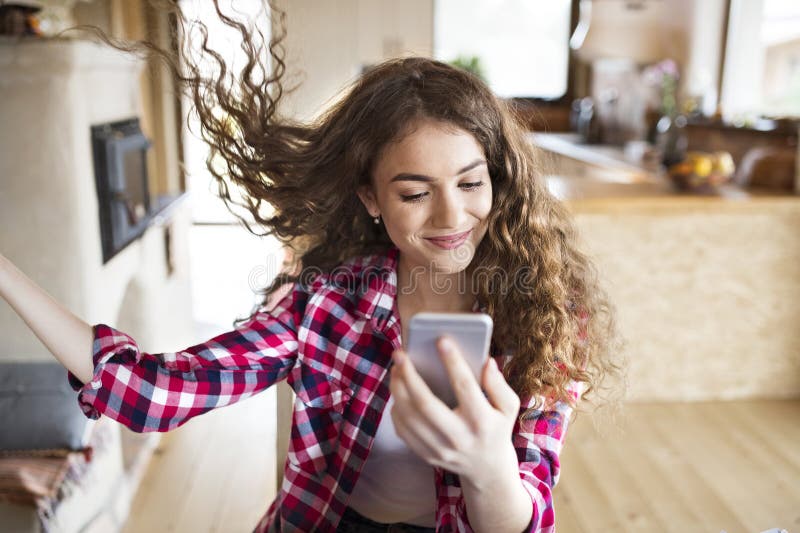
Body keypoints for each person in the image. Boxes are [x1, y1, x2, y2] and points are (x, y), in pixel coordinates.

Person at [0, 4, 618, 532]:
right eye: (414, 193)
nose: (452, 216)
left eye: (470, 182)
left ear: (497, 180)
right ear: (371, 200)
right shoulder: (324, 307)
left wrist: (488, 467)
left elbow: (521, 516)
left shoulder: (550, 315)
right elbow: (151, 392)